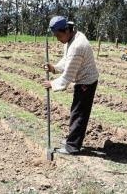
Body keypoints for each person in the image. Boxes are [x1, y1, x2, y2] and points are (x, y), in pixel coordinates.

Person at [42, 16, 99, 155]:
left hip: (86, 82)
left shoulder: (77, 46)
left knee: (79, 114)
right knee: (76, 111)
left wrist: (52, 84)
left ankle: (72, 146)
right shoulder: (73, 37)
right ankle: (73, 140)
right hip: (83, 80)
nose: (58, 39)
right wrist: (54, 68)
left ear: (67, 30)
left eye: (58, 35)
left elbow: (68, 77)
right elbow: (67, 59)